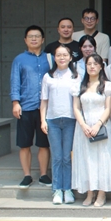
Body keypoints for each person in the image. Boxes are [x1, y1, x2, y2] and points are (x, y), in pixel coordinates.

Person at [71, 54, 111, 207]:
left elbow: (108, 108)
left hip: (102, 126)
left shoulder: (107, 86)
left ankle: (101, 193)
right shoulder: (79, 85)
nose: (92, 66)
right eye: (89, 64)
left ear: (101, 67)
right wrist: (83, 125)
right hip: (83, 128)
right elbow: (76, 108)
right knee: (86, 159)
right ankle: (89, 192)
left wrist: (98, 124)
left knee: (102, 159)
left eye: (95, 64)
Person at [10, 25, 52, 189]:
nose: (34, 39)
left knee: (44, 144)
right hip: (25, 107)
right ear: (25, 40)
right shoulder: (19, 59)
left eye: (37, 36)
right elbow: (15, 81)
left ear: (43, 39)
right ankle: (27, 175)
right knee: (24, 143)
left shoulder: (50, 59)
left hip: (45, 108)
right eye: (30, 36)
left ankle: (43, 175)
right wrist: (15, 102)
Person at [40, 45, 78, 204]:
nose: (62, 58)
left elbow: (78, 101)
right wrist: (43, 120)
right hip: (53, 120)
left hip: (70, 120)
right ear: (54, 58)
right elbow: (44, 101)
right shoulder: (48, 77)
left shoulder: (76, 76)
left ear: (70, 57)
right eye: (59, 55)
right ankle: (57, 190)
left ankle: (67, 189)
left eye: (65, 55)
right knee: (56, 157)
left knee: (67, 157)